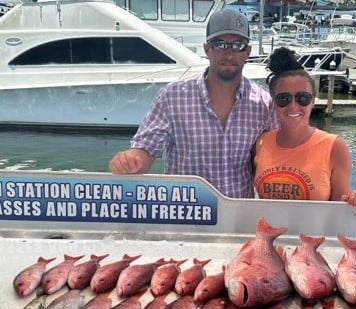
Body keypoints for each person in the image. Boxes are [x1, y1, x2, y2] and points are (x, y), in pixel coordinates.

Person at [109, 9, 278, 198]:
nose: (228, 53)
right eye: (219, 44)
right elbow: (145, 150)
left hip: (237, 219)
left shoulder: (264, 104)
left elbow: (275, 160)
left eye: (237, 45)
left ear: (248, 51)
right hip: (184, 216)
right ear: (206, 48)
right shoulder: (172, 97)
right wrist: (130, 161)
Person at [253, 47, 356, 206]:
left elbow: (340, 212)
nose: (293, 106)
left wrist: (355, 200)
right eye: (283, 98)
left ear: (313, 101)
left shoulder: (335, 147)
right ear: (273, 103)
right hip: (266, 231)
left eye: (302, 98)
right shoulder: (261, 143)